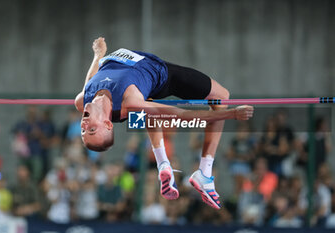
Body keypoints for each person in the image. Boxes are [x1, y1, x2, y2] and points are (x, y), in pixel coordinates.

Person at [75, 37, 254, 209]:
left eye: (83, 132)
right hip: (164, 76)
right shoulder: (130, 100)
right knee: (221, 96)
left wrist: (98, 54)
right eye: (91, 129)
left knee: (147, 107)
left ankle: (164, 164)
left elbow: (90, 80)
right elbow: (183, 115)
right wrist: (231, 114)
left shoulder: (82, 101)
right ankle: (205, 173)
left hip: (138, 86)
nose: (83, 126)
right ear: (107, 124)